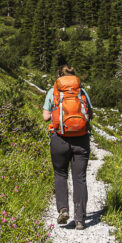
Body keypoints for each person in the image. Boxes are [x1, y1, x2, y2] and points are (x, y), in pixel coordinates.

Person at [42, 65, 92, 229]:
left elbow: (45, 117)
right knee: (80, 178)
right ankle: (80, 219)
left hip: (60, 139)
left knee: (60, 174)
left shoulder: (54, 91)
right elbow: (89, 114)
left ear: (59, 76)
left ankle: (63, 209)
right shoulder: (81, 92)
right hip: (81, 140)